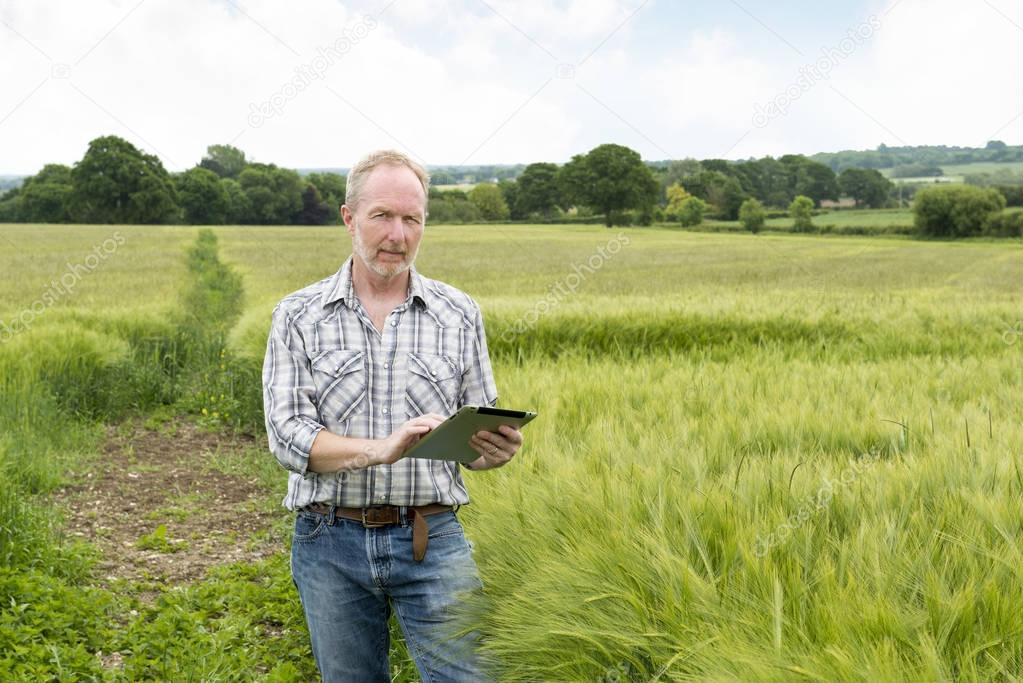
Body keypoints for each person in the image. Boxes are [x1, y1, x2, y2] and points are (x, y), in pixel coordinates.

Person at [261, 149, 522, 682]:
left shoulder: (459, 313)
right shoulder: (297, 315)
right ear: (349, 217)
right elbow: (287, 436)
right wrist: (377, 451)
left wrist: (493, 451)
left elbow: (477, 421)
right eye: (382, 215)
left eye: (412, 219)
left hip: (433, 535)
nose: (398, 235)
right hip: (329, 539)